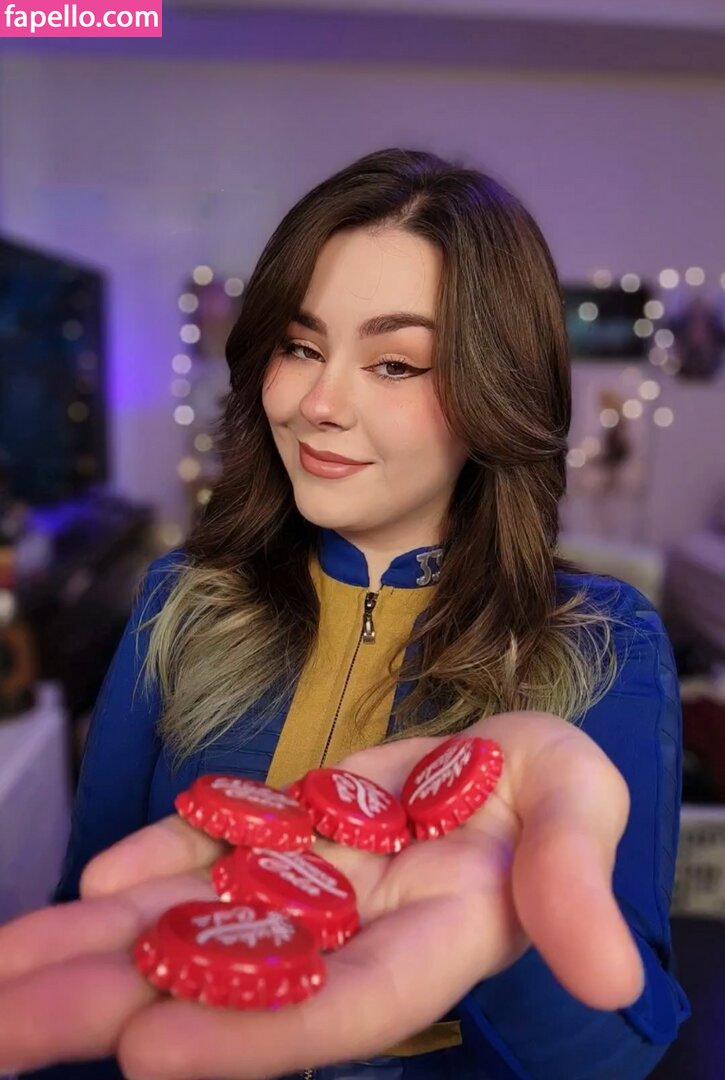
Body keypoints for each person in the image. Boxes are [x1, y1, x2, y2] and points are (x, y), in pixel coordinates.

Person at [0, 147, 690, 1080]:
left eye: (396, 364)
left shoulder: (604, 642)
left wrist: (517, 911)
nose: (319, 404)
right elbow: (88, 933)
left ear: (496, 392)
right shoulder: (181, 598)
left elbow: (621, 1046)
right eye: (299, 345)